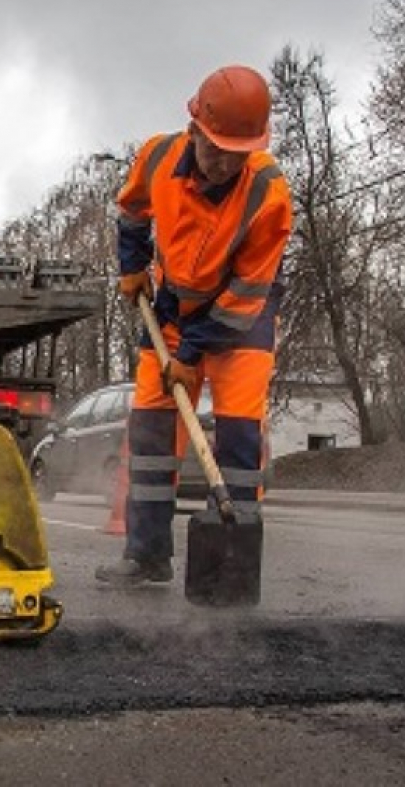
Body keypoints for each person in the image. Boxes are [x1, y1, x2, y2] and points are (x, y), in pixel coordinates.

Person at [97, 65, 293, 585]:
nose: (225, 165)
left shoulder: (268, 194)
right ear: (194, 132)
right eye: (216, 151)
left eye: (238, 154)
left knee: (238, 433)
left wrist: (190, 356)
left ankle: (230, 566)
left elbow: (248, 293)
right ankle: (146, 555)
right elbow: (133, 209)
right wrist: (133, 265)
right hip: (172, 307)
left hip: (241, 316)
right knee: (152, 428)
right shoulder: (159, 156)